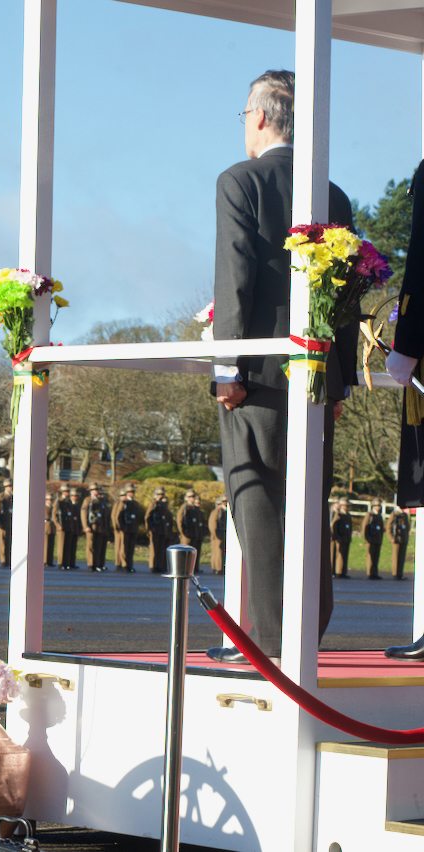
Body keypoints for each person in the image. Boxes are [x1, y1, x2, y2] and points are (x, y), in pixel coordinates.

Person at [208, 70, 353, 665]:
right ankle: (305, 630)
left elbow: (235, 276)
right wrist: (338, 377)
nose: (244, 124)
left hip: (260, 379)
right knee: (308, 502)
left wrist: (226, 367)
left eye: (244, 114)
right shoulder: (333, 193)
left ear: (262, 117)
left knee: (259, 503)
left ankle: (269, 641)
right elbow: (341, 293)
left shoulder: (240, 181)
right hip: (317, 377)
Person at [112, 485, 141, 573]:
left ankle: (129, 565)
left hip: (133, 528)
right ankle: (124, 564)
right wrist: (120, 527)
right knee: (124, 548)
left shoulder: (135, 503)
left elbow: (138, 516)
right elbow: (118, 516)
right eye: (131, 492)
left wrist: (136, 527)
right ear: (127, 493)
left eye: (133, 491)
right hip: (125, 528)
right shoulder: (123, 503)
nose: (132, 493)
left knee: (131, 548)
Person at [146, 487, 174, 573]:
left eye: (162, 494)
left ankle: (159, 565)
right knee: (154, 549)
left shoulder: (162, 505)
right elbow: (147, 517)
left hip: (162, 529)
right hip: (155, 529)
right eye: (159, 494)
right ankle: (153, 566)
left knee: (161, 549)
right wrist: (150, 528)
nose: (161, 496)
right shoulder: (153, 504)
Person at [81, 483, 108, 572]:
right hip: (91, 526)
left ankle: (96, 564)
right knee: (91, 546)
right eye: (95, 490)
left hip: (99, 526)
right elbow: (83, 513)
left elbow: (103, 515)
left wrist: (104, 527)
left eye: (98, 489)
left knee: (98, 546)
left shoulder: (100, 501)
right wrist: (85, 526)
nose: (97, 491)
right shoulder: (88, 500)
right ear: (91, 491)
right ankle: (91, 564)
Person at [177, 489, 205, 574]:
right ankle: (184, 569)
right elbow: (179, 520)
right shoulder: (185, 507)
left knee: (193, 553)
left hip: (194, 534)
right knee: (186, 553)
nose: (192, 498)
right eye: (190, 497)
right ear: (187, 498)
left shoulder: (194, 508)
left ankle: (193, 568)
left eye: (193, 496)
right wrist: (182, 533)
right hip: (187, 534)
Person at [330, 497, 353, 578]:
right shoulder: (338, 514)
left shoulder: (348, 515)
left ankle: (343, 571)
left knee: (344, 555)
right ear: (342, 506)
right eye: (346, 506)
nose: (347, 507)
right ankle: (339, 571)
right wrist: (336, 536)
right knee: (339, 555)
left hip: (346, 537)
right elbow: (334, 525)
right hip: (340, 537)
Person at [362, 499, 385, 580]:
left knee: (376, 557)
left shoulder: (379, 515)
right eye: (377, 505)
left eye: (379, 506)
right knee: (370, 557)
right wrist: (367, 538)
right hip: (371, 539)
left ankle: (375, 573)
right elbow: (365, 527)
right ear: (374, 506)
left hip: (377, 539)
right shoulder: (370, 515)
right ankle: (370, 573)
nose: (378, 507)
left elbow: (382, 528)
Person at [0, 480, 14, 567]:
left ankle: (9, 559)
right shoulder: (1, 496)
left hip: (11, 522)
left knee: (10, 542)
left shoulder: (13, 496)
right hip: (4, 521)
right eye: (9, 486)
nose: (11, 488)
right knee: (3, 542)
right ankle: (3, 560)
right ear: (6, 487)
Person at [207, 495, 229, 575]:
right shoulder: (217, 511)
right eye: (224, 502)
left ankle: (220, 568)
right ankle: (218, 568)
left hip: (222, 534)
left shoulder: (225, 511)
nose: (225, 503)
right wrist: (215, 534)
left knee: (220, 552)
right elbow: (212, 523)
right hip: (218, 535)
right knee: (218, 553)